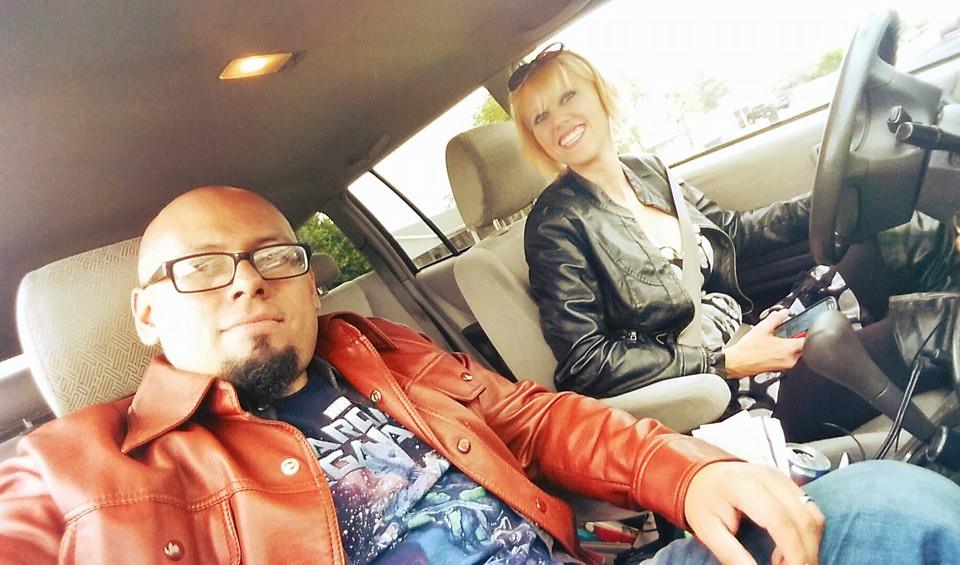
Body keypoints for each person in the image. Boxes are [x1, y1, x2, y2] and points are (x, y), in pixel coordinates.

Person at [0, 186, 959, 564]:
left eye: (275, 256)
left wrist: (686, 471)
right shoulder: (70, 473)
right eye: (203, 268)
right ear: (147, 313)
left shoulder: (372, 348)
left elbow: (536, 419)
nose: (248, 280)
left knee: (886, 506)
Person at [511, 43, 955, 442]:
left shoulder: (648, 170)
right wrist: (722, 361)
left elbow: (733, 230)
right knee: (940, 325)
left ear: (598, 93)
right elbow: (585, 362)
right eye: (540, 117)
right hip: (722, 392)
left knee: (899, 238)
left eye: (567, 96)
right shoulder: (555, 224)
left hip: (752, 332)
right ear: (536, 140)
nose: (559, 120)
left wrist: (835, 196)